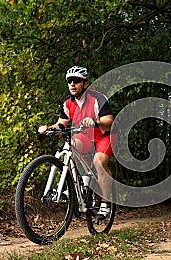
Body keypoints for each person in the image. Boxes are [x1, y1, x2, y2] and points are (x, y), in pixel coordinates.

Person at [38, 66, 114, 220]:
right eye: (69, 81)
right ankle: (78, 184)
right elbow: (62, 124)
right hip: (84, 136)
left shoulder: (98, 98)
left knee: (99, 163)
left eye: (77, 81)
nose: (72, 84)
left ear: (85, 83)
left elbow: (109, 121)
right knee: (71, 146)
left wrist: (95, 121)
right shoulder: (67, 103)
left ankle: (106, 202)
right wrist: (48, 128)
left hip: (103, 135)